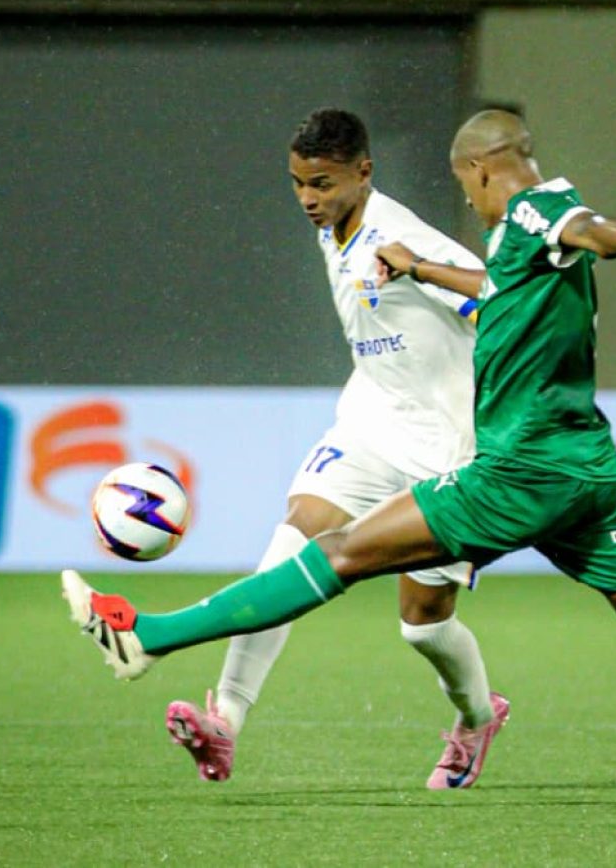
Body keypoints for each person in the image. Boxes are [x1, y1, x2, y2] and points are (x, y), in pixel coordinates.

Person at [63, 109, 616, 814]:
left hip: (509, 471)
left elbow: (585, 232)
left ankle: (150, 638)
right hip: (585, 471)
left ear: (476, 173)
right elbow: (502, 280)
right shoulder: (515, 240)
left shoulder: (536, 214)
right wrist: (423, 266)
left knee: (344, 560)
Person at [163, 108, 507, 790]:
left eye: (321, 183)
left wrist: (425, 274)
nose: (308, 200)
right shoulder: (332, 226)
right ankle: (225, 720)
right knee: (289, 549)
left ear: (364, 172)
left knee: (424, 626)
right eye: (297, 184)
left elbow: (506, 300)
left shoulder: (403, 236)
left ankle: (476, 717)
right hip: (372, 420)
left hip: (447, 445)